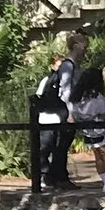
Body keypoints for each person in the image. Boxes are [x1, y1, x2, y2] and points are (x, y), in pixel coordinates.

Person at [29, 46, 74, 192]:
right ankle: (44, 175)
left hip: (58, 119)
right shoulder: (47, 81)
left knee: (57, 150)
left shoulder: (62, 81)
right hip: (47, 119)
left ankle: (55, 177)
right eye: (58, 66)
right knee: (44, 148)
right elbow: (39, 98)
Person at [70, 57, 105, 192]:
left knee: (97, 157)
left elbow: (76, 113)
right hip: (99, 129)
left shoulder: (78, 97)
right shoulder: (96, 97)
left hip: (87, 131)